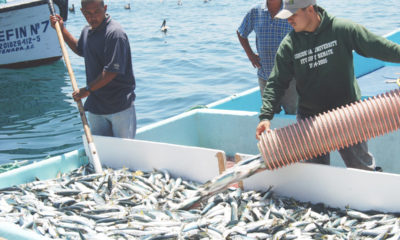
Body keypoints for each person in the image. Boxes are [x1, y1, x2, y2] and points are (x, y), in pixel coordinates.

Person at [255, 0, 400, 171]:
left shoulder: (341, 29)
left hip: (348, 114)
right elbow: (276, 82)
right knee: (316, 174)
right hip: (311, 120)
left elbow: (379, 47)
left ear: (310, 9)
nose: (289, 20)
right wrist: (266, 116)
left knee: (361, 169)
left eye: (293, 15)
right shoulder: (289, 44)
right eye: (286, 15)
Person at [50, 0, 137, 139]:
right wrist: (61, 29)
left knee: (124, 155)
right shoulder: (87, 31)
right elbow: (80, 49)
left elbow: (111, 72)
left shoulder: (115, 33)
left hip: (119, 107)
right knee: (103, 153)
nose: (92, 17)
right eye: (88, 13)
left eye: (96, 12)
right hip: (96, 107)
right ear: (82, 12)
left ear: (105, 8)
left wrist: (86, 90)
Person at [237, 0, 297, 114]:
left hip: (290, 78)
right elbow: (241, 33)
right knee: (270, 115)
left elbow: (305, 35)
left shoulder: (291, 10)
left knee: (294, 115)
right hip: (265, 77)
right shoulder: (255, 12)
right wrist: (250, 55)